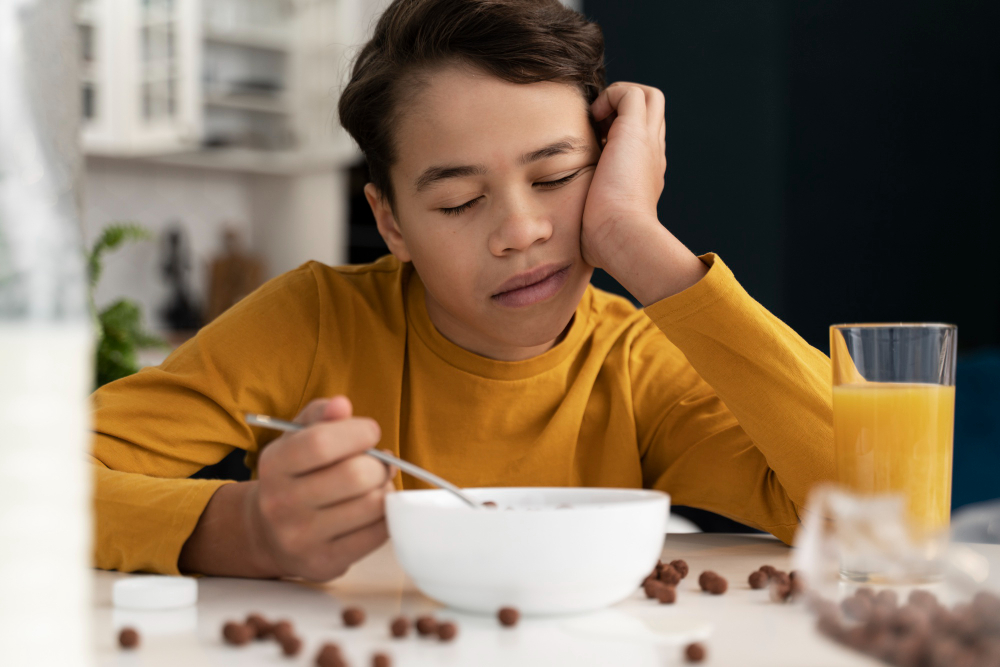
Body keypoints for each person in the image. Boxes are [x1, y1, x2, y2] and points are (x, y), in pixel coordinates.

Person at [90, 0, 833, 581]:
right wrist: (245, 528)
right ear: (391, 221)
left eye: (555, 178)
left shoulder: (636, 364)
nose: (520, 230)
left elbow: (879, 504)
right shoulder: (312, 323)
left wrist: (639, 241)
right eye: (457, 202)